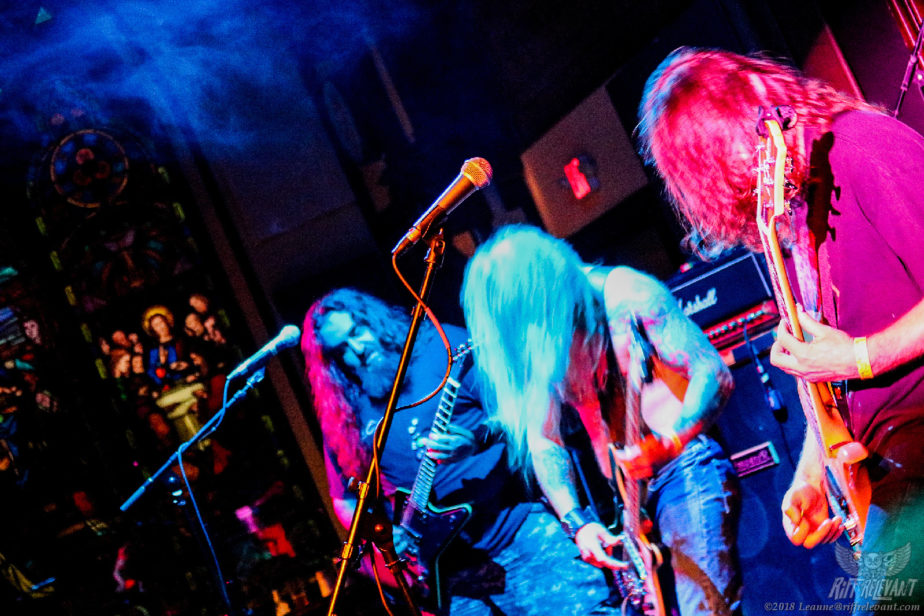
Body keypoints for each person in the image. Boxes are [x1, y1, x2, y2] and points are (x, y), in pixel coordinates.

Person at [637, 46, 924, 611]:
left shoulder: (862, 145)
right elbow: (822, 369)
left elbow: (849, 357)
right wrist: (813, 474)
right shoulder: (790, 216)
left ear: (757, 105)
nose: (737, 177)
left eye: (722, 153)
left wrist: (863, 355)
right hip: (887, 467)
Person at [461, 225, 741, 616]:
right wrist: (576, 522)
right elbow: (545, 440)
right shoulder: (529, 343)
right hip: (625, 500)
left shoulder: (628, 296)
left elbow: (713, 373)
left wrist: (672, 441)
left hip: (684, 468)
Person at [301, 287, 623, 615]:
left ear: (375, 321)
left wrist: (476, 438)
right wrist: (386, 534)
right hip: (452, 579)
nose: (357, 350)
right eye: (342, 349)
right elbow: (344, 500)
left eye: (358, 332)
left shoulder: (442, 349)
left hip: (519, 532)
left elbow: (524, 416)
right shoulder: (344, 411)